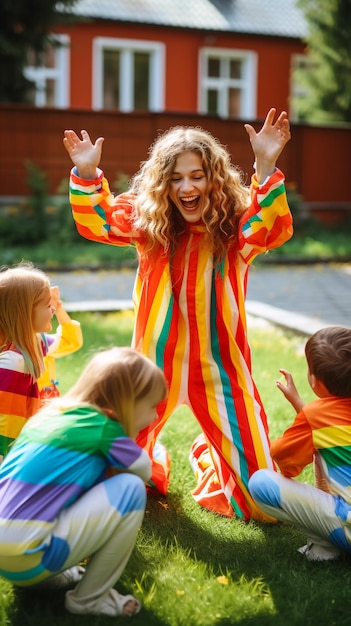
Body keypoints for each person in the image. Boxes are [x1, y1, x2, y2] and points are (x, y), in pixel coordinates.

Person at [63, 107, 293, 521]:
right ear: (162, 183)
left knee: (264, 505)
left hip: (221, 366)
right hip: (152, 366)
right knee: (110, 485)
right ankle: (153, 461)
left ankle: (210, 457)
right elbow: (97, 222)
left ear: (214, 180)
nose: (186, 187)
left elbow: (272, 228)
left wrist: (266, 164)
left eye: (197, 176)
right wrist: (86, 174)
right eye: (175, 178)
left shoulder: (236, 226)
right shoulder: (148, 223)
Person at [0, 346, 167, 617]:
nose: (155, 416)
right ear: (126, 403)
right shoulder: (103, 427)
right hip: (28, 556)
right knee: (131, 488)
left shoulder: (49, 417)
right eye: (151, 407)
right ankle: (88, 600)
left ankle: (49, 575)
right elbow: (144, 470)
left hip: (6, 555)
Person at [249, 326, 351, 561]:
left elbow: (285, 459)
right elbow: (329, 428)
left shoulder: (316, 415)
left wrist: (304, 422)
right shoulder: (318, 417)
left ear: (314, 380)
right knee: (324, 451)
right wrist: (302, 408)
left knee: (261, 483)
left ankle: (324, 546)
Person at [0, 262, 55, 460]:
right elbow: (6, 422)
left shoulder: (33, 343)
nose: (53, 309)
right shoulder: (13, 363)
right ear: (24, 313)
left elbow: (65, 341)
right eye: (48, 305)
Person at [38, 285, 83, 402]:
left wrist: (56, 307)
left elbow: (70, 340)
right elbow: (70, 340)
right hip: (40, 408)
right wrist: (57, 308)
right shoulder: (39, 343)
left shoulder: (39, 342)